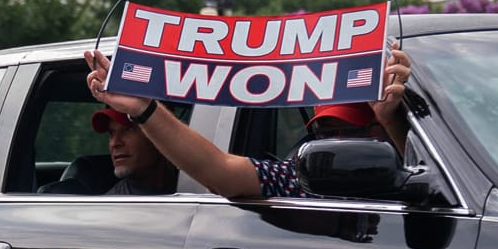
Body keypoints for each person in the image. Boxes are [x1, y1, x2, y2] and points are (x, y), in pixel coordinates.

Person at [82, 45, 414, 199]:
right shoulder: (298, 181)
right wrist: (143, 108)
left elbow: (429, 183)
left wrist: (393, 122)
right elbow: (219, 170)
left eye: (351, 131)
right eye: (325, 132)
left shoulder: (425, 185)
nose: (336, 144)